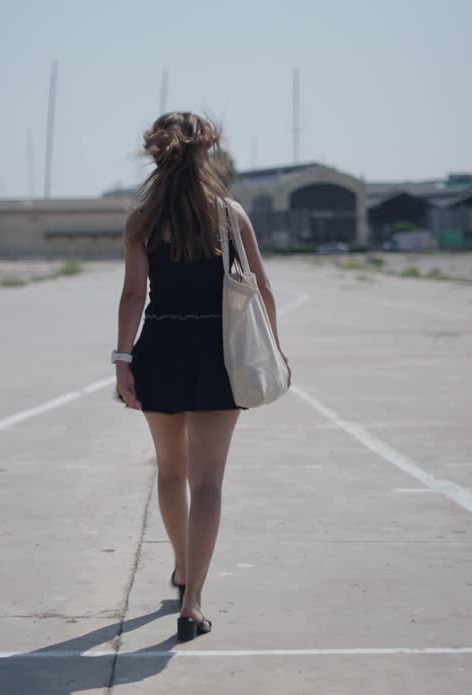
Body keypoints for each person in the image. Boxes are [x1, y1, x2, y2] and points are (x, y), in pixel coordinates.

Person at [113, 112, 289, 642]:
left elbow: (132, 296)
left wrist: (123, 363)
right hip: (220, 356)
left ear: (156, 155)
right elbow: (261, 286)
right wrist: (276, 350)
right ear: (206, 153)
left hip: (161, 352)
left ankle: (183, 565)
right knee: (207, 481)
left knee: (171, 472)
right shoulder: (228, 214)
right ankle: (192, 604)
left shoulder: (142, 219)